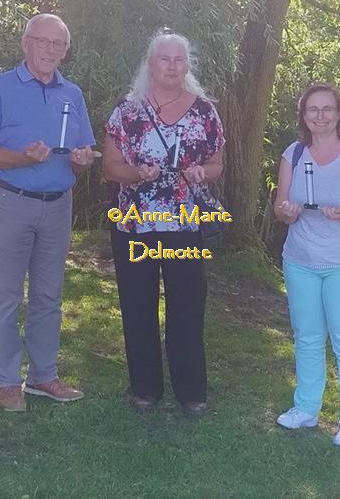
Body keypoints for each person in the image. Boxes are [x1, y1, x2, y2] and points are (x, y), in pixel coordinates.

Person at [0, 13, 96, 411]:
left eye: (58, 45)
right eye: (43, 42)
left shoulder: (71, 94)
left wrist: (82, 159)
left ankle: (44, 376)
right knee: (7, 295)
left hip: (57, 206)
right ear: (26, 43)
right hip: (10, 201)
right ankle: (7, 381)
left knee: (48, 295)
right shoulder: (0, 88)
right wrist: (21, 158)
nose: (50, 50)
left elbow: (85, 154)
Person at [102, 30, 224, 415]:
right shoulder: (127, 111)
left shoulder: (204, 110)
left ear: (187, 66)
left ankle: (191, 391)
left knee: (187, 307)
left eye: (179, 60)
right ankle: (145, 387)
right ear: (151, 64)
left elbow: (218, 164)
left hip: (184, 224)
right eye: (164, 60)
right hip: (134, 225)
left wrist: (202, 173)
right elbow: (109, 167)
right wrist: (136, 172)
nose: (172, 66)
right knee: (137, 306)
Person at [273, 83, 340, 448]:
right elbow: (281, 208)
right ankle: (305, 408)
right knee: (307, 336)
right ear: (303, 115)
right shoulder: (293, 153)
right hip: (300, 260)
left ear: (339, 114)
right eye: (312, 110)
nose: (320, 116)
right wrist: (287, 212)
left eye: (327, 109)